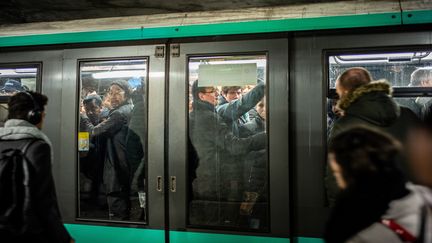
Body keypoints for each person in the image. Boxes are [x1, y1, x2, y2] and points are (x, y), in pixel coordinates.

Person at [326, 67, 418, 205]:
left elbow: (336, 176)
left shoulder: (345, 125)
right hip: (409, 203)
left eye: (339, 94)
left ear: (345, 92)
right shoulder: (408, 115)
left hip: (365, 207)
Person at [325, 126, 430, 243]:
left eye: (337, 173)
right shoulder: (423, 197)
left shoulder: (360, 233)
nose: (339, 183)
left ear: (352, 174)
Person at [188, 80, 266, 226]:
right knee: (216, 221)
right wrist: (265, 137)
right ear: (202, 96)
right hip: (213, 180)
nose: (216, 94)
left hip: (201, 178)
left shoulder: (194, 116)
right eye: (212, 91)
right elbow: (234, 146)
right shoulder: (210, 116)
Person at [0, 91, 73, 243]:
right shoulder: (37, 147)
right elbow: (44, 201)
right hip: (26, 231)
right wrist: (63, 237)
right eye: (43, 114)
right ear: (34, 115)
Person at [80, 80, 134, 220]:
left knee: (117, 207)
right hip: (123, 164)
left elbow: (94, 132)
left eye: (118, 92)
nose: (113, 96)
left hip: (116, 166)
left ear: (127, 94)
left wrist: (83, 116)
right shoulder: (126, 109)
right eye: (111, 92)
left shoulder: (118, 114)